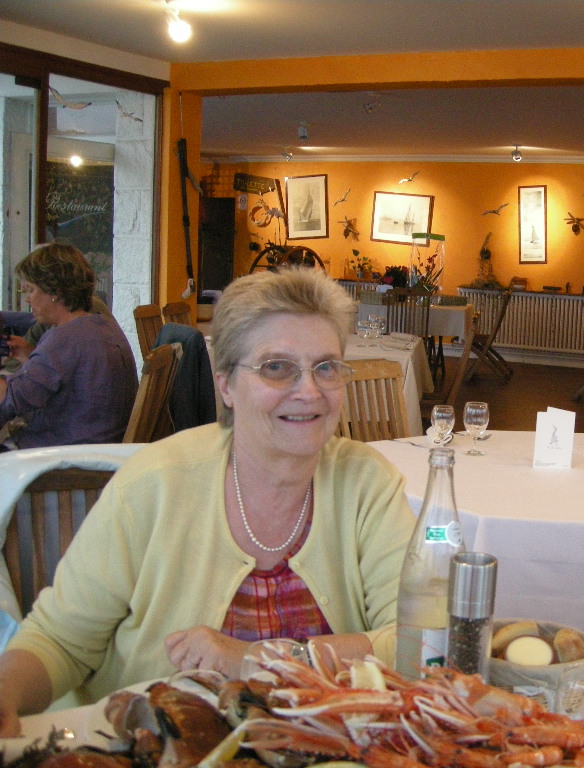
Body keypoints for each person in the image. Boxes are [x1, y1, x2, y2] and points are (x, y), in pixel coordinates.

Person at [0, 266, 416, 735]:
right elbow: (60, 641)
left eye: (326, 367)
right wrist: (6, 695)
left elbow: (419, 639)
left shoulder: (366, 483)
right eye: (276, 367)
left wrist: (259, 659)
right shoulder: (154, 483)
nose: (309, 391)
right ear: (226, 385)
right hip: (156, 748)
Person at [0, 244, 137, 448]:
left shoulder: (64, 338)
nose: (28, 299)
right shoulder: (103, 326)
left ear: (54, 291)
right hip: (104, 447)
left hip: (67, 455)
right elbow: (68, 380)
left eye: (32, 290)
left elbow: (12, 399)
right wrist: (32, 356)